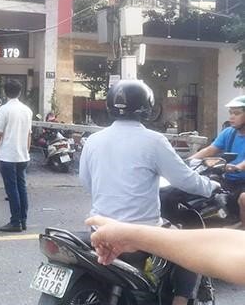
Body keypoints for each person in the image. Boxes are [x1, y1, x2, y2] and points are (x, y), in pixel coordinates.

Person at [79, 79, 218, 305]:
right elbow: (184, 179)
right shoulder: (153, 141)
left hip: (100, 227)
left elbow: (86, 181)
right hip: (142, 230)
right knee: (189, 245)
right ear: (148, 107)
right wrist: (209, 186)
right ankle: (181, 300)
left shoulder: (93, 140)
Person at [85, 215, 245, 286]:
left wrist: (132, 235)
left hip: (104, 225)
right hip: (138, 225)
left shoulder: (93, 145)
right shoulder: (156, 144)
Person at [190, 95, 245, 227]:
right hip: (229, 180)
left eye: (236, 113)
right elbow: (210, 150)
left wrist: (238, 167)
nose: (231, 117)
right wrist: (186, 162)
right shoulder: (229, 133)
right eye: (231, 113)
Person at [0, 79, 33, 232]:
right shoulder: (27, 110)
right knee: (21, 188)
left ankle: (15, 222)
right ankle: (23, 220)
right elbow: (29, 135)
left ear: (5, 92)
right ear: (19, 92)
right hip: (23, 156)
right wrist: (26, 151)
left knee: (12, 189)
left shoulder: (4, 110)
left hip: (8, 156)